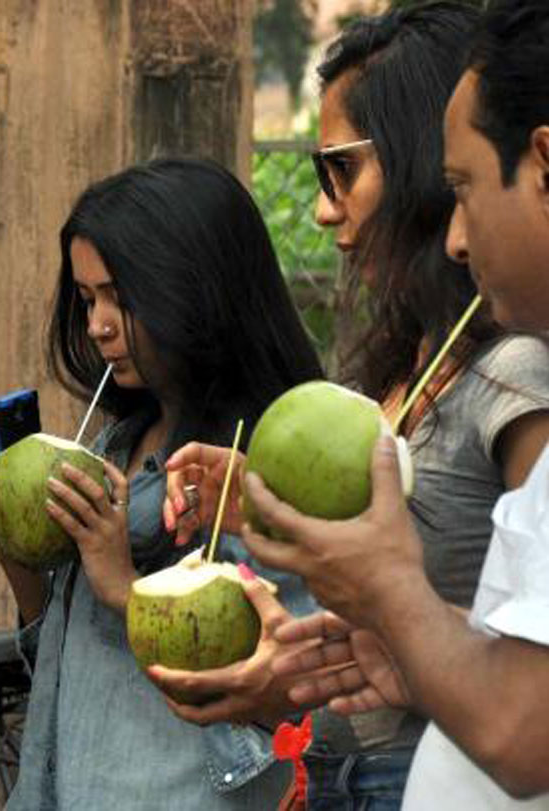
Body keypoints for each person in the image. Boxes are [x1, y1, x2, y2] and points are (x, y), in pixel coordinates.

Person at [153, 3, 549, 808]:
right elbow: (494, 641)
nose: (326, 207)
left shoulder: (515, 375)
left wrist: (388, 592)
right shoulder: (406, 372)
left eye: (340, 169)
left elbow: (520, 725)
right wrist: (258, 502)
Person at [0, 158, 324, 809]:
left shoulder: (261, 473)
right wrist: (13, 542)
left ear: (195, 290)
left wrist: (121, 584)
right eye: (86, 299)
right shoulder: (113, 446)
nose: (97, 325)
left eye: (120, 298)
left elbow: (286, 693)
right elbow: (57, 646)